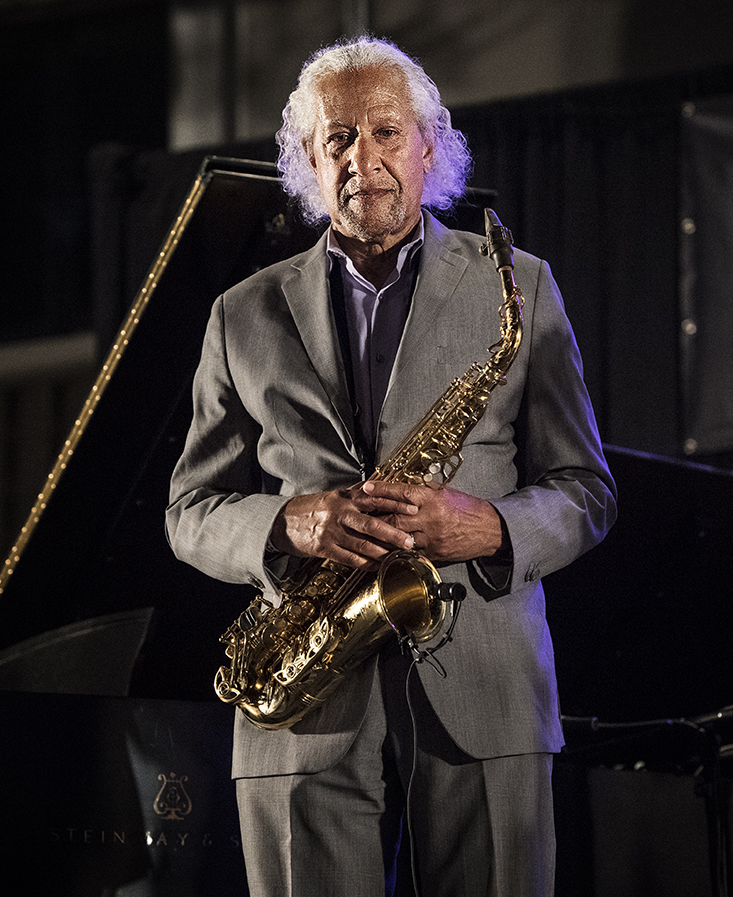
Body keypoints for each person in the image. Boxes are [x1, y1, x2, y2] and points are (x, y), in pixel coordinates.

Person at [166, 35, 616, 897]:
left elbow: (587, 491)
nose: (361, 161)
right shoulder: (241, 314)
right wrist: (286, 522)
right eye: (337, 139)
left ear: (430, 146)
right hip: (301, 693)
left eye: (384, 132)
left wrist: (487, 525)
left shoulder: (517, 284)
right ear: (307, 159)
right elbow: (189, 507)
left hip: (483, 677)